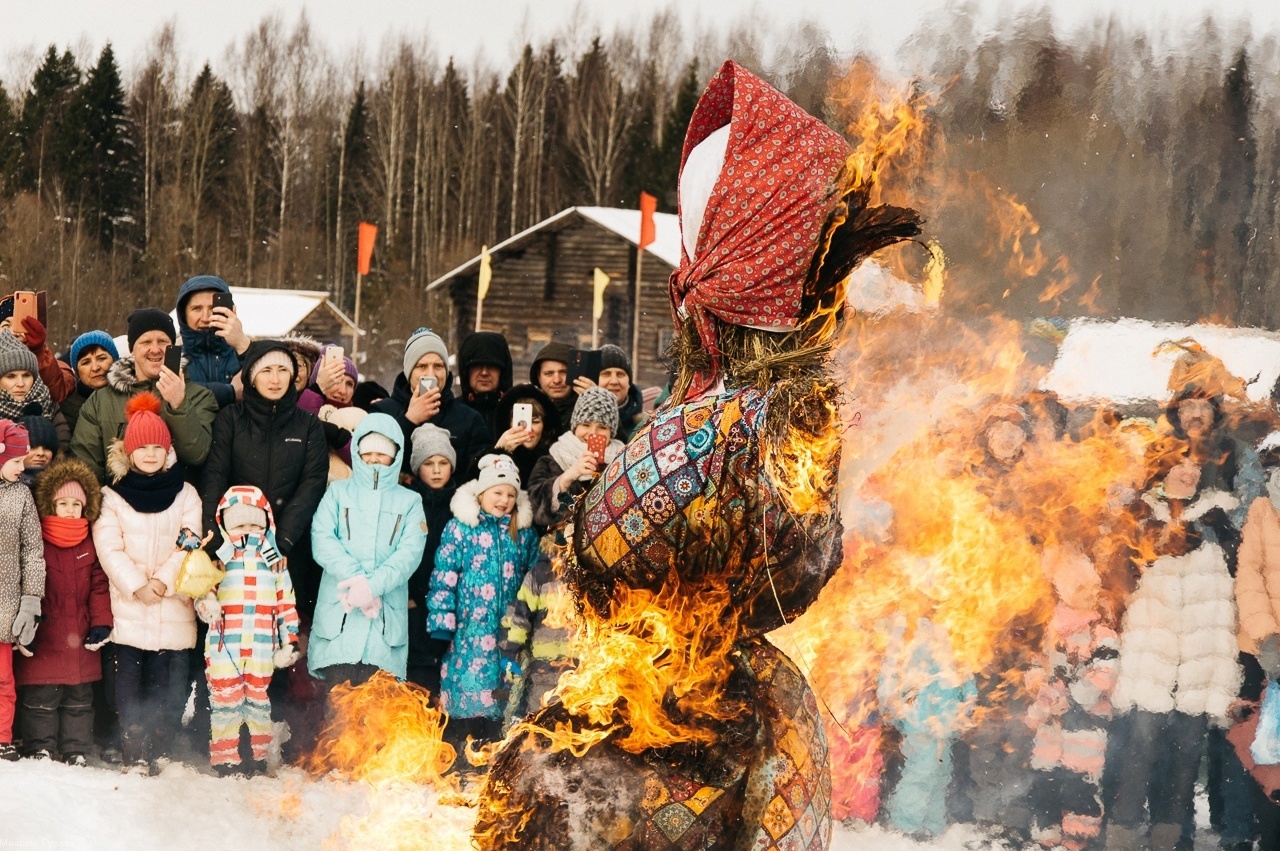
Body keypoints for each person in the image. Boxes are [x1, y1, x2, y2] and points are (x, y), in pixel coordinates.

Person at [1105, 449, 1242, 851]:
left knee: (1185, 756)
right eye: (1181, 465)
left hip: (1202, 654)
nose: (1189, 472)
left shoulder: (1219, 514)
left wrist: (1226, 532)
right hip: (1153, 650)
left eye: (1196, 467)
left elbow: (1239, 570)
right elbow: (1118, 580)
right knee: (1140, 747)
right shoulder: (1139, 512)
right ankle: (1122, 835)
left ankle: (1167, 837)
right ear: (1164, 469)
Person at [93, 393, 202, 771]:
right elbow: (108, 546)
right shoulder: (112, 496)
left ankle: (161, 744)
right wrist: (137, 585)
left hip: (172, 608)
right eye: (143, 447)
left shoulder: (186, 493)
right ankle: (132, 745)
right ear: (129, 451)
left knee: (167, 687)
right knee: (126, 688)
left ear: (168, 449)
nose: (151, 454)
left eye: (159, 446)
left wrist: (163, 582)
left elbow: (190, 543)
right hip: (129, 609)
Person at [200, 341, 328, 615]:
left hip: (291, 547)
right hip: (235, 546)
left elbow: (312, 485)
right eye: (266, 370)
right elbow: (215, 476)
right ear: (251, 377)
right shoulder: (231, 419)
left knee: (287, 628)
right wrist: (216, 543)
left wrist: (282, 541)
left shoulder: (308, 425)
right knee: (236, 627)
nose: (275, 379)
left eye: (283, 369)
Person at [429, 453, 539, 749]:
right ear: (482, 493)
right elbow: (444, 576)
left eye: (510, 494)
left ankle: (492, 754)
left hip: (508, 634)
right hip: (468, 632)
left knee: (501, 696)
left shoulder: (524, 534)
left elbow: (534, 577)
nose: (503, 500)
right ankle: (458, 753)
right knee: (465, 691)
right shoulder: (461, 528)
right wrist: (441, 622)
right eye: (497, 492)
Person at [308, 414, 426, 687]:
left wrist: (372, 587)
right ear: (357, 453)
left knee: (376, 718)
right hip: (340, 620)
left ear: (395, 455)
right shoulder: (338, 493)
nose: (373, 459)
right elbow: (322, 539)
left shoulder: (410, 501)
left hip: (383, 627)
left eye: (382, 453)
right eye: (367, 452)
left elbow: (409, 554)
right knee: (337, 713)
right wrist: (357, 580)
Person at [194, 486, 299, 777]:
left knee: (258, 702)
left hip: (262, 644)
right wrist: (208, 606)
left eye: (255, 523)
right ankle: (226, 757)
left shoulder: (275, 563)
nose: (248, 530)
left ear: (267, 524)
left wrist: (289, 641)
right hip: (225, 643)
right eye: (240, 524)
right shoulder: (219, 560)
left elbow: (286, 602)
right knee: (225, 701)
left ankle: (258, 757)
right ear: (226, 525)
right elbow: (202, 592)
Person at [13, 456, 110, 765]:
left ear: (86, 509)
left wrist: (101, 623)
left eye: (76, 505)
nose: (70, 510)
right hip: (46, 631)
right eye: (63, 503)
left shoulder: (89, 542)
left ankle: (75, 748)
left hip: (80, 631)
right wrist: (27, 628)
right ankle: (39, 746)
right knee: (42, 695)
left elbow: (98, 585)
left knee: (79, 698)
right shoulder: (38, 538)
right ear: (51, 504)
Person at [1025, 544, 1119, 850]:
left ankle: (1077, 838)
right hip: (1052, 722)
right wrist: (1038, 693)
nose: (1090, 593)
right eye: (1081, 587)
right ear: (1064, 591)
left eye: (1093, 586)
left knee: (1080, 781)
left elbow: (1106, 674)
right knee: (1046, 776)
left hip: (1085, 723)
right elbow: (1042, 668)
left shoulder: (1101, 632)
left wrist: (1075, 700)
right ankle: (1046, 832)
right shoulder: (1054, 629)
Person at [71, 308, 217, 485]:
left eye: (162, 341)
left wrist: (179, 404)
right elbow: (85, 462)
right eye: (146, 342)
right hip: (116, 504)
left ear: (173, 348)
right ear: (132, 349)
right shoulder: (100, 401)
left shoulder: (200, 397)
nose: (155, 349)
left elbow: (196, 454)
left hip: (179, 504)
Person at [1233, 432, 1280, 849]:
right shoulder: (1263, 510)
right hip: (1267, 652)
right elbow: (1248, 576)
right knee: (1268, 750)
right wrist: (1268, 638)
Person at [372, 328, 489, 477]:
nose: (431, 374)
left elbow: (478, 477)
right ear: (409, 372)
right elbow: (373, 471)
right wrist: (408, 421)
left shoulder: (469, 418)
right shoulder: (382, 412)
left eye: (438, 366)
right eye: (421, 366)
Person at [0, 421, 44, 762]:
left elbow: (32, 551)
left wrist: (30, 600)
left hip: (6, 608)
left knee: (3, 682)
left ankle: (2, 738)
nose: (22, 466)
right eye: (16, 460)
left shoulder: (21, 494)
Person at [526, 387, 625, 529]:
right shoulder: (553, 458)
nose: (592, 433)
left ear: (611, 432)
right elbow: (534, 509)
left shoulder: (623, 460)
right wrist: (566, 478)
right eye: (586, 425)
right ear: (575, 426)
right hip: (562, 546)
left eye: (602, 427)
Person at [405, 424, 457, 695]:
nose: (436, 470)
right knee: (418, 679)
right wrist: (409, 595)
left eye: (443, 462)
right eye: (428, 463)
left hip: (449, 604)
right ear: (417, 467)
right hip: (414, 599)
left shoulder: (461, 504)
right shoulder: (407, 502)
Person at [498, 551, 574, 725]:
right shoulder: (540, 572)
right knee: (540, 721)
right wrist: (511, 652)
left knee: (570, 724)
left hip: (578, 669)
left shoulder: (587, 574)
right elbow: (521, 616)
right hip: (544, 669)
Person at [176, 275, 250, 409]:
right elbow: (173, 395)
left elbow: (270, 391)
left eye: (212, 308)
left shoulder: (244, 352)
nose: (205, 318)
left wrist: (242, 343)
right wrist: (231, 393)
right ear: (183, 315)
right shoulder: (173, 357)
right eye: (197, 308)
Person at [0, 331, 70, 450]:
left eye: (26, 375)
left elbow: (63, 448)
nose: (21, 383)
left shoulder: (48, 404)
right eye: (11, 376)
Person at [492, 384, 561, 486]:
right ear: (510, 424)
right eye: (521, 423)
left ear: (544, 425)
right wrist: (498, 452)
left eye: (535, 421)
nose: (528, 429)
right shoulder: (494, 453)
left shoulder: (555, 460)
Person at [456, 331, 514, 439]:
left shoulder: (514, 413)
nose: (484, 373)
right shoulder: (452, 412)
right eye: (477, 365)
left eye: (492, 366)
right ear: (466, 371)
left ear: (502, 371)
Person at [60, 331, 119, 434]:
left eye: (101, 358)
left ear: (114, 361)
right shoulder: (67, 408)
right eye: (86, 362)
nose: (95, 367)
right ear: (77, 371)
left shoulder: (131, 393)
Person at [596, 345, 647, 442]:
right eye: (606, 374)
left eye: (620, 374)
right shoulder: (579, 420)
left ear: (629, 382)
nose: (614, 381)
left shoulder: (644, 426)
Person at [529, 341, 576, 426]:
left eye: (563, 372)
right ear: (538, 377)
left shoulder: (589, 410)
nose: (557, 380)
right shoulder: (526, 410)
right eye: (549, 373)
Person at [19, 415, 59, 488]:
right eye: (32, 447)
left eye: (47, 448)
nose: (40, 453)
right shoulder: (4, 485)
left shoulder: (63, 485)